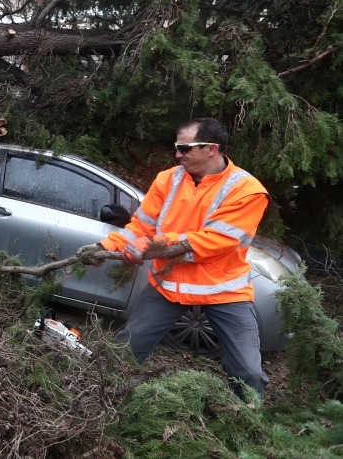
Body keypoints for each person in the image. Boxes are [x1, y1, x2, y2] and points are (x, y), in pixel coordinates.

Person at [87, 118, 270, 400]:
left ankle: (246, 419)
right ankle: (100, 400)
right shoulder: (168, 179)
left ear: (211, 149)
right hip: (168, 286)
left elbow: (212, 242)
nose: (177, 155)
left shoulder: (247, 191)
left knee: (248, 372)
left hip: (225, 292)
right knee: (124, 351)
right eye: (177, 147)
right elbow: (141, 227)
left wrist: (151, 246)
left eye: (184, 148)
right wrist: (105, 246)